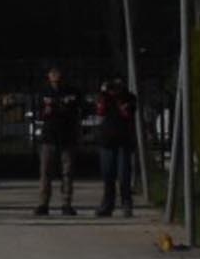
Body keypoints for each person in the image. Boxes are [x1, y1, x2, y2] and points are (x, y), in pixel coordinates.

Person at [31, 65, 85, 216]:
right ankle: (43, 203)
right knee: (45, 172)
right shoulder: (44, 93)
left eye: (58, 74)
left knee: (67, 172)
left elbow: (82, 110)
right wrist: (45, 111)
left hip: (67, 137)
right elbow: (37, 112)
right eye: (52, 74)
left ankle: (66, 203)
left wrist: (67, 110)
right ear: (48, 76)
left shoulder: (73, 92)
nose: (55, 77)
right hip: (49, 137)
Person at [93, 77, 141, 217]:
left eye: (118, 86)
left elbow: (127, 113)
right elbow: (100, 111)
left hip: (123, 141)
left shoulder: (129, 98)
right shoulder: (105, 97)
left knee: (124, 175)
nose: (114, 89)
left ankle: (126, 204)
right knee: (108, 175)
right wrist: (104, 94)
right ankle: (107, 205)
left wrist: (119, 98)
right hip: (107, 141)